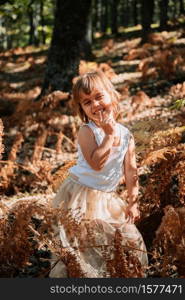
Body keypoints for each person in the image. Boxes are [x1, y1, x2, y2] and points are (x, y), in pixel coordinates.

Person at [49, 70, 148, 278]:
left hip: (107, 197)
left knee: (125, 239)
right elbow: (96, 163)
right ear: (82, 109)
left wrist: (133, 201)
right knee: (83, 245)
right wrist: (109, 136)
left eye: (98, 97)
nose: (94, 105)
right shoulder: (87, 131)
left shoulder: (126, 134)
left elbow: (130, 171)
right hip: (80, 195)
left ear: (111, 96)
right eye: (86, 102)